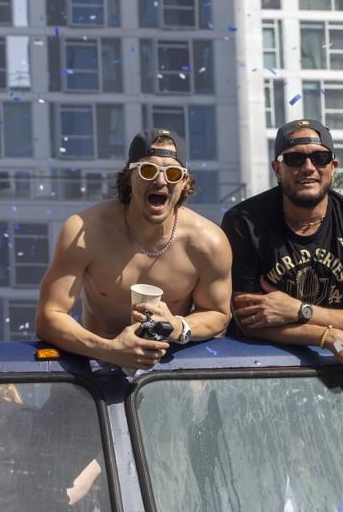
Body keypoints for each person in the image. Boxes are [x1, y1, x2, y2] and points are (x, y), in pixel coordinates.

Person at [36, 129, 232, 371]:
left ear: (184, 183)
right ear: (129, 176)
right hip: (98, 370)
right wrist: (109, 350)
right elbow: (49, 316)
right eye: (148, 170)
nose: (160, 181)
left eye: (172, 173)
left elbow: (218, 313)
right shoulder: (86, 231)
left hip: (170, 372)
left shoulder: (208, 242)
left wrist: (177, 326)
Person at [221, 119, 343, 374]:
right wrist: (327, 337)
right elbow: (250, 321)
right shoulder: (244, 223)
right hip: (260, 369)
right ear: (277, 169)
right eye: (294, 159)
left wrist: (298, 310)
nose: (308, 168)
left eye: (320, 158)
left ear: (333, 167)